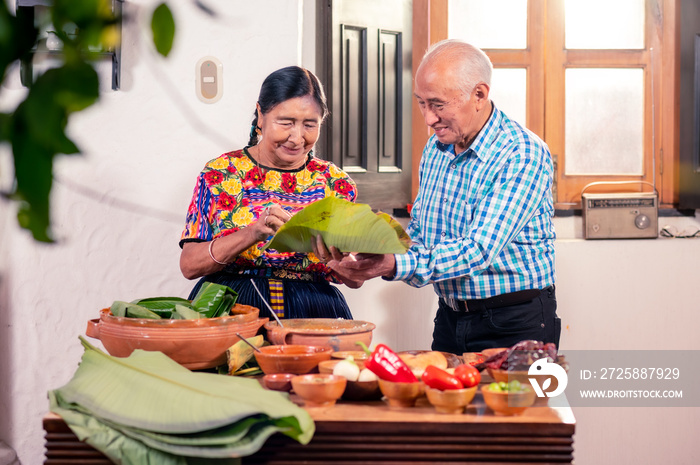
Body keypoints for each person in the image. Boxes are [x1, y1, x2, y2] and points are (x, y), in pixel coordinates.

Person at [316, 40, 559, 354]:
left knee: (521, 405)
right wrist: (369, 249)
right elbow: (422, 233)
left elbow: (478, 250)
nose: (429, 119)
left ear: (480, 95)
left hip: (515, 322)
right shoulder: (436, 148)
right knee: (439, 402)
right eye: (421, 103)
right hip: (450, 317)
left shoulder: (521, 153)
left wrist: (392, 265)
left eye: (438, 104)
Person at [179, 66, 358, 321]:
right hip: (233, 310)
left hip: (315, 313)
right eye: (286, 123)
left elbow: (353, 279)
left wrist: (340, 254)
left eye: (310, 125)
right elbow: (189, 265)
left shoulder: (335, 183)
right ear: (261, 115)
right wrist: (253, 232)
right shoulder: (221, 173)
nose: (297, 138)